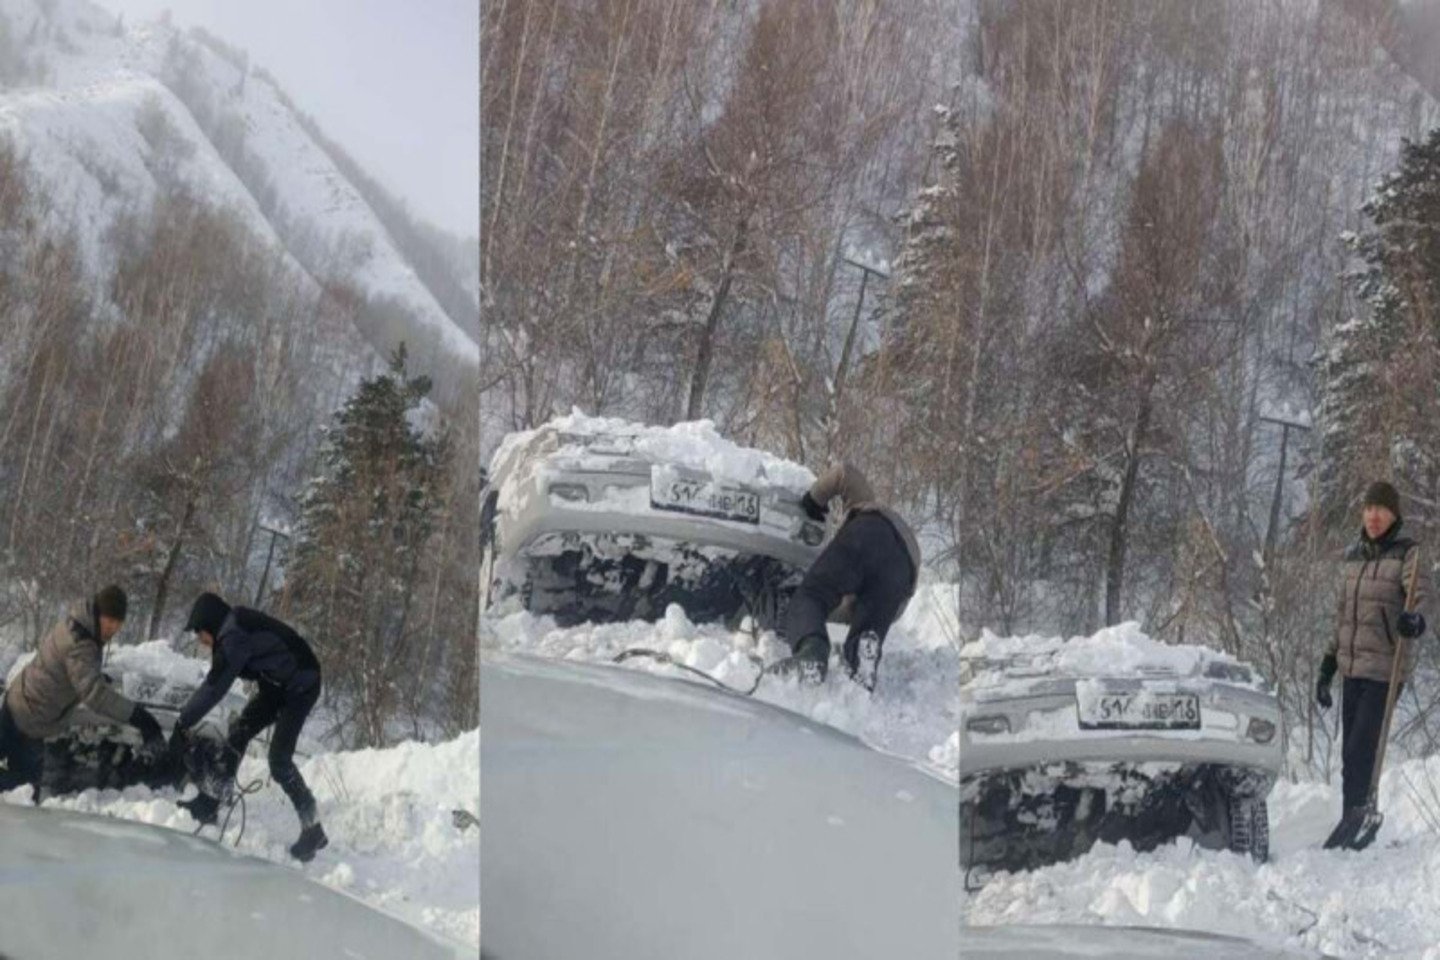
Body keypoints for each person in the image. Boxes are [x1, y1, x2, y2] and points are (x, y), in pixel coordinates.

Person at [172, 592, 328, 862]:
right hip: (276, 684)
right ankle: (211, 801)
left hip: (301, 684)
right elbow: (219, 675)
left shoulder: (234, 636)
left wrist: (183, 722)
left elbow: (214, 688)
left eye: (199, 633)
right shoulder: (231, 630)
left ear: (210, 625)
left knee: (279, 761)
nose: (200, 640)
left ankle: (312, 827)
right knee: (238, 733)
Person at [1317, 480, 1428, 844]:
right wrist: (1327, 666)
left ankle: (1361, 814)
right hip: (1352, 668)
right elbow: (1342, 617)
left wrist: (1415, 618)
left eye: (1381, 509)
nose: (1373, 516)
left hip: (1384, 669)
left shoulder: (1407, 553)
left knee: (1363, 744)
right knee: (1350, 751)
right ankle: (1352, 816)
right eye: (1368, 509)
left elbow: (1420, 595)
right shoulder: (1354, 557)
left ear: (1393, 514)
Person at [0, 586, 165, 801]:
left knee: (22, 792)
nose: (113, 628)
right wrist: (140, 717)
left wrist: (92, 675)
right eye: (109, 620)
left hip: (20, 702)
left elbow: (71, 668)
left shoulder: (76, 621)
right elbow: (94, 695)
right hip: (30, 718)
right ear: (98, 613)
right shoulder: (82, 643)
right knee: (23, 795)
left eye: (118, 623)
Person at [782, 462, 922, 691]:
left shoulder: (866, 503)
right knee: (868, 626)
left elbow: (845, 473)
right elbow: (886, 608)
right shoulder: (892, 525)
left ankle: (812, 653)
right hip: (904, 568)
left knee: (811, 595)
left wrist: (814, 500)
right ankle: (862, 661)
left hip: (869, 532)